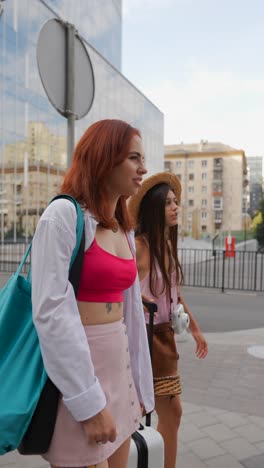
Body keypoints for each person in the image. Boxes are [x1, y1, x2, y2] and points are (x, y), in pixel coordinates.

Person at [31, 119, 154, 468]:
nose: (143, 168)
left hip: (119, 374)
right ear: (104, 158)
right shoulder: (62, 216)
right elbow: (51, 312)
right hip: (80, 378)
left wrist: (140, 388)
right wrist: (87, 401)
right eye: (133, 157)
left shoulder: (123, 229)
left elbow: (130, 315)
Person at [128, 172, 208, 468]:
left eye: (176, 202)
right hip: (146, 340)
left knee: (171, 415)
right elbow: (123, 293)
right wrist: (140, 301)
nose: (176, 207)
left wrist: (196, 330)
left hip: (165, 338)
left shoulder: (165, 246)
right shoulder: (140, 246)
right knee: (161, 412)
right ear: (152, 209)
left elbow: (175, 293)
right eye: (168, 203)